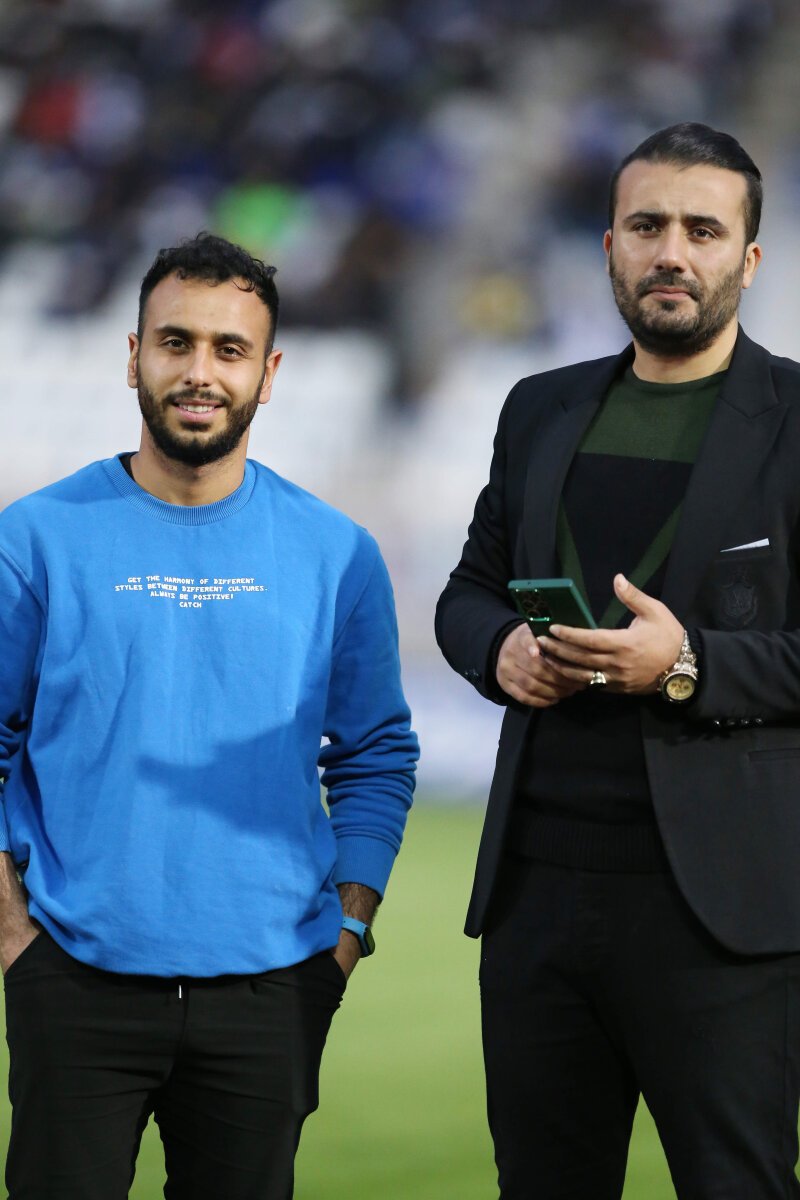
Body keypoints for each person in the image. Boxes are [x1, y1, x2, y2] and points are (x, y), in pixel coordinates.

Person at [0, 232, 418, 1199]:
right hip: (73, 982)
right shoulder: (34, 539)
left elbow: (375, 755)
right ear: (133, 356)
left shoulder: (337, 553)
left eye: (230, 350)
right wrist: (15, 941)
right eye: (175, 342)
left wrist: (345, 936)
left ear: (268, 373)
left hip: (272, 996)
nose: (200, 372)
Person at [436, 122, 800, 1198]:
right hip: (537, 896)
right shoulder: (537, 407)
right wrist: (500, 648)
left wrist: (685, 666)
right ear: (608, 246)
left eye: (702, 230)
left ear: (749, 258)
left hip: (722, 914)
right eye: (646, 226)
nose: (670, 252)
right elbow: (467, 592)